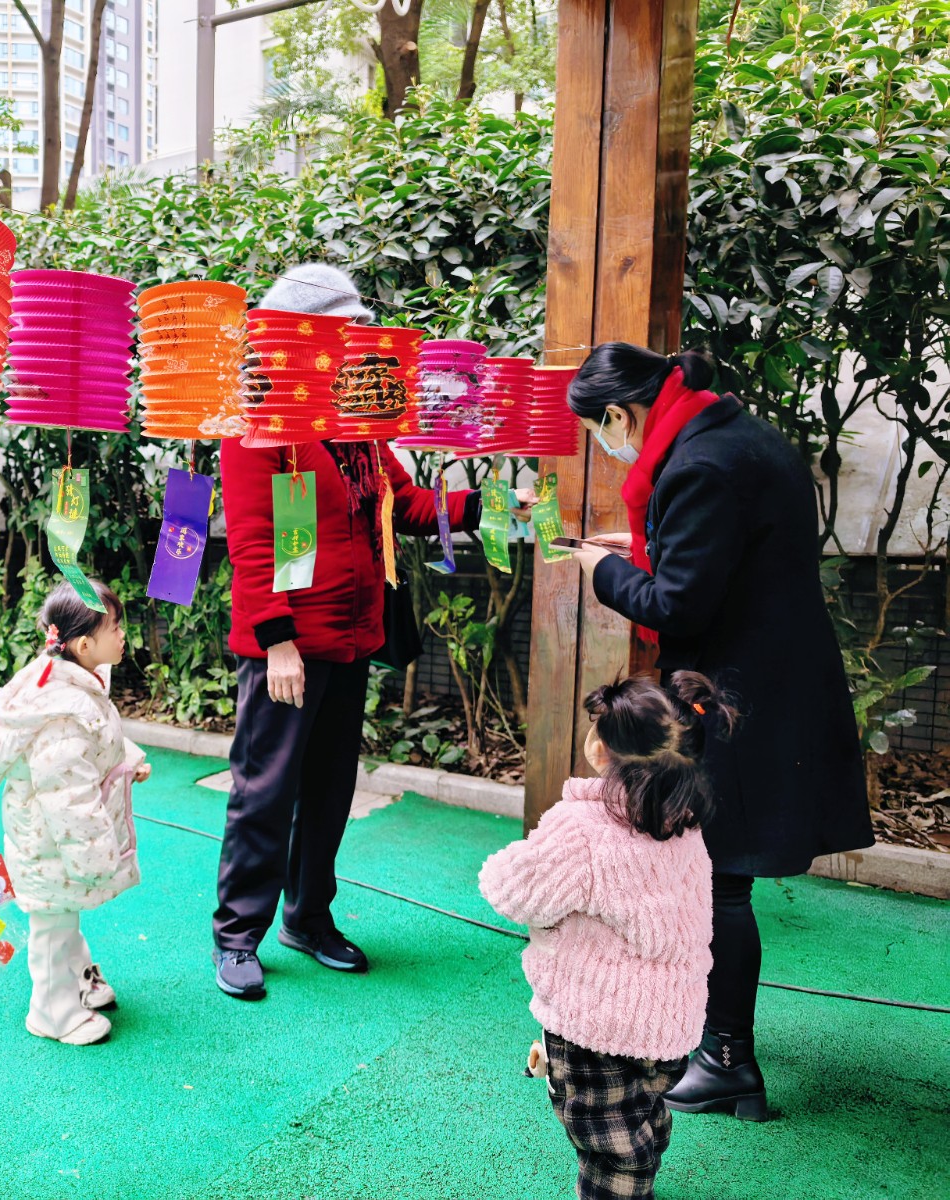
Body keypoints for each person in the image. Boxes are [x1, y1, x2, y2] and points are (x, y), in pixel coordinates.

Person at [564, 343, 872, 1118]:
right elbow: (721, 559)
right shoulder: (737, 433)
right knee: (715, 870)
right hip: (775, 678)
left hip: (740, 697)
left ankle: (728, 1057)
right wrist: (641, 551)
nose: (606, 445)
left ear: (619, 414)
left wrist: (602, 572)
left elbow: (678, 606)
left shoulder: (698, 468)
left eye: (600, 431)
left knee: (717, 876)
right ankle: (716, 1036)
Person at [212, 263, 530, 1000]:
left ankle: (308, 920)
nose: (355, 340)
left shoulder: (354, 420)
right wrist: (277, 641)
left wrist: (484, 504)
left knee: (330, 791)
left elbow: (403, 505)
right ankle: (236, 936)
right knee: (265, 793)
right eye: (343, 329)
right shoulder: (258, 418)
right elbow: (254, 541)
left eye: (356, 329)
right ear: (301, 336)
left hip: (351, 637)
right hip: (288, 647)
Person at [480, 673, 728, 1200]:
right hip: (670, 1026)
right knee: (642, 1112)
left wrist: (509, 867)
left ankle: (624, 1186)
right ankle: (642, 1163)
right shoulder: (683, 824)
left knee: (608, 1144)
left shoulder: (581, 828)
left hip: (598, 1028)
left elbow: (514, 891)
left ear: (600, 747)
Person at [0, 582, 148, 1046]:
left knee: (62, 917)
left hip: (51, 843)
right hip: (50, 845)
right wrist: (95, 859)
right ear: (84, 644)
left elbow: (97, 742)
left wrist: (127, 760)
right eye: (116, 627)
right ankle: (51, 1011)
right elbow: (68, 796)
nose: (124, 634)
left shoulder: (70, 684)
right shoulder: (62, 712)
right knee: (53, 926)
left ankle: (79, 981)